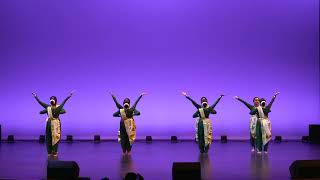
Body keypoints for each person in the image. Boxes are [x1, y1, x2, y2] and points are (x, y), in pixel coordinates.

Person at [32, 91, 73, 157]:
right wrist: (69, 96)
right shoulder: (55, 107)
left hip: (51, 123)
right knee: (54, 137)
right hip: (53, 123)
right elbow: (64, 102)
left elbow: (40, 103)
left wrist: (35, 96)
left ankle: (51, 152)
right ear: (55, 101)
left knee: (51, 137)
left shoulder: (48, 107)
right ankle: (53, 152)